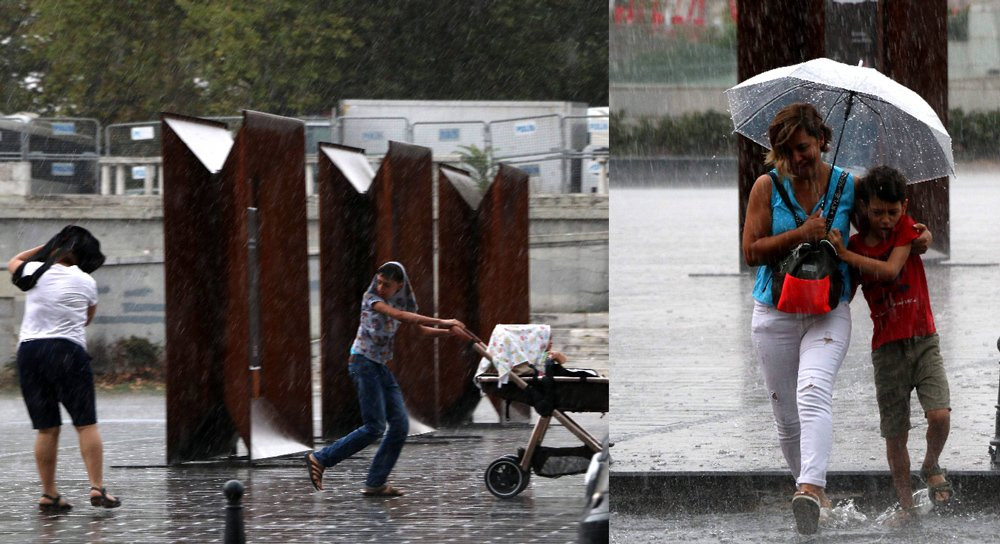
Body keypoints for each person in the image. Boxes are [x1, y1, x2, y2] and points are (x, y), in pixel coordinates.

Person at [740, 103, 931, 535]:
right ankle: (813, 498)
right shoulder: (765, 187)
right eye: (786, 150)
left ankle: (810, 486)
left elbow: (888, 225)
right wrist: (801, 234)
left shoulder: (849, 186)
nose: (796, 158)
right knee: (787, 420)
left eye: (803, 147)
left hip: (828, 311)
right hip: (775, 312)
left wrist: (920, 237)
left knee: (812, 391)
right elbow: (751, 251)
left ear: (822, 142)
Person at [828, 166, 952, 526]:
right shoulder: (852, 245)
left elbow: (891, 271)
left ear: (904, 207)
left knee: (939, 414)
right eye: (878, 211)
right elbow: (845, 293)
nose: (885, 220)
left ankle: (930, 463)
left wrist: (843, 255)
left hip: (923, 339)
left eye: (892, 212)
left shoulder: (905, 230)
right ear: (864, 207)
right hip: (887, 351)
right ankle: (906, 506)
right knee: (895, 434)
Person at [305, 261, 471, 496]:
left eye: (387, 285)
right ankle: (320, 458)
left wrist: (450, 333)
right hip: (362, 363)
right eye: (379, 282)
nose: (381, 287)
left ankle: (375, 482)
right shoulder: (372, 298)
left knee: (400, 426)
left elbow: (419, 328)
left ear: (399, 286)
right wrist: (444, 320)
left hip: (379, 366)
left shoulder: (404, 299)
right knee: (374, 427)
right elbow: (400, 315)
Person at [7, 226, 121, 512]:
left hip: (30, 352)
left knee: (46, 430)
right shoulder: (85, 281)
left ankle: (49, 494)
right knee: (85, 424)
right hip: (67, 351)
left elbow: (14, 261)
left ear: (57, 249)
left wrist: (45, 247)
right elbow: (86, 319)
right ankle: (96, 487)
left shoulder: (34, 271)